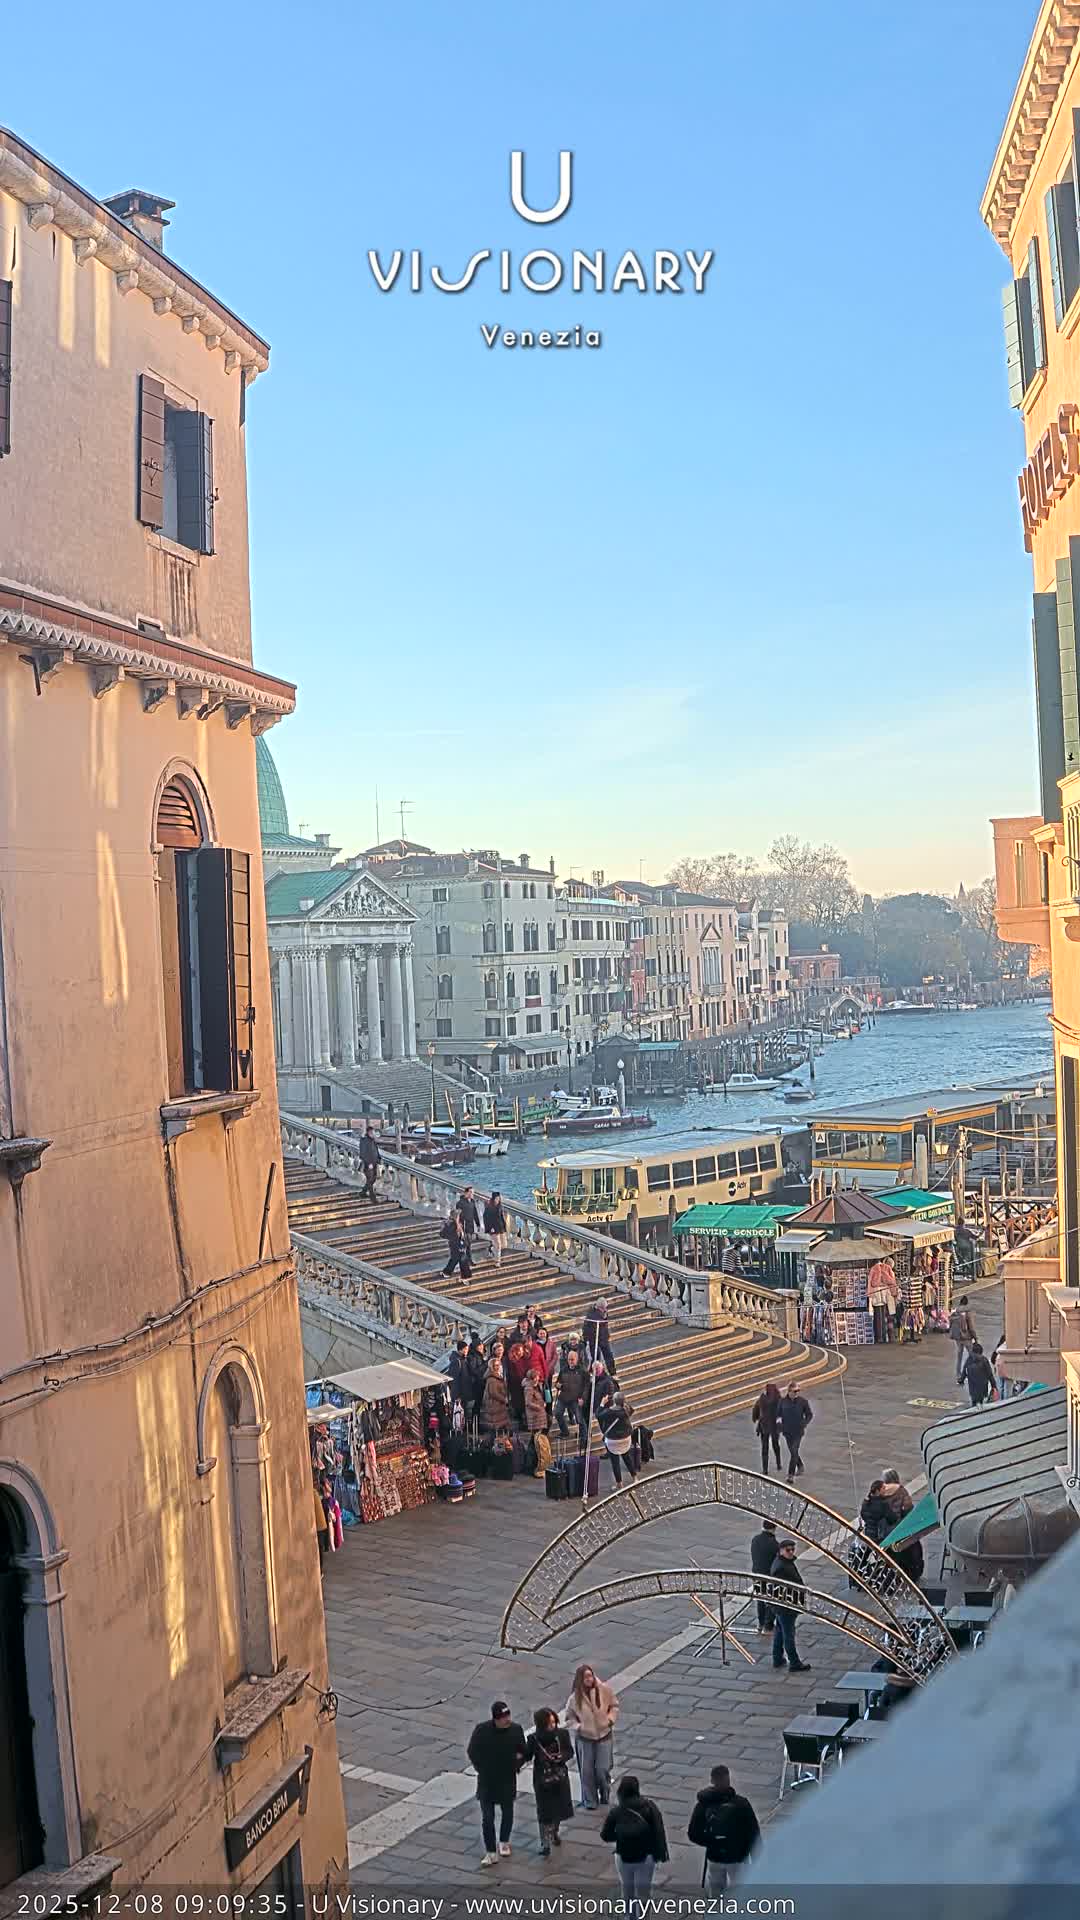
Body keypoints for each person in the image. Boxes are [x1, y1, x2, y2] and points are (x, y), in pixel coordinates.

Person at [466, 1700, 527, 1867]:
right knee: (488, 1818)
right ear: (495, 1719)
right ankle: (491, 1852)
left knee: (508, 1811)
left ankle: (504, 1841)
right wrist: (482, 1768)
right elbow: (472, 1751)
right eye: (503, 1717)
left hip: (507, 1779)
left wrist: (516, 1765)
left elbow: (523, 1751)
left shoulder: (515, 1730)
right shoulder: (482, 1730)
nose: (507, 1719)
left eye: (508, 1715)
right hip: (487, 1781)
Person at [600, 1775, 668, 1916]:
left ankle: (629, 1916)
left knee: (627, 1891)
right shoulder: (649, 1807)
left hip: (623, 1855)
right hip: (646, 1856)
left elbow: (605, 1835)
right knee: (644, 1892)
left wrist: (620, 1837)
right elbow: (658, 1832)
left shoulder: (617, 1811)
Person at [687, 1765, 760, 1893]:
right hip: (737, 1857)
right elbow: (754, 1833)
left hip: (714, 1856)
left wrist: (712, 1842)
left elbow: (693, 1834)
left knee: (716, 1892)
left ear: (712, 1781)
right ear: (728, 1780)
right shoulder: (741, 1804)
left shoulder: (704, 1803)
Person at [563, 1663, 619, 1810]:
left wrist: (610, 1719)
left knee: (602, 1769)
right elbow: (569, 1718)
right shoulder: (574, 1698)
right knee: (587, 1772)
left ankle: (605, 1790)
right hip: (585, 1739)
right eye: (585, 1677)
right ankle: (590, 1801)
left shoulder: (604, 1690)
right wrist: (579, 1727)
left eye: (590, 1675)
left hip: (604, 1735)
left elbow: (614, 1705)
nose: (589, 1679)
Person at [524, 1708, 574, 1855]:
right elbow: (528, 1755)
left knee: (559, 1807)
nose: (552, 1725)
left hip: (559, 1776)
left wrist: (562, 1756)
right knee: (544, 1810)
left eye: (553, 1722)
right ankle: (545, 1843)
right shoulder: (533, 1739)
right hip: (542, 1778)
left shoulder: (562, 1734)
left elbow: (569, 1751)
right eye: (549, 1723)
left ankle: (554, 1831)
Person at [769, 1538, 811, 1672]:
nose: (791, 1552)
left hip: (782, 1606)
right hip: (786, 1607)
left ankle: (777, 1658)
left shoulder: (782, 1562)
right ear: (781, 1551)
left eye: (793, 1549)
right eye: (788, 1550)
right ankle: (794, 1662)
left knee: (780, 1632)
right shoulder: (782, 1567)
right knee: (788, 1634)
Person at [598, 1392, 639, 1487]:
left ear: (614, 1401)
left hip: (613, 1440)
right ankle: (635, 1478)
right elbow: (632, 1410)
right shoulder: (626, 1410)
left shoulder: (609, 1412)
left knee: (615, 1461)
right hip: (625, 1438)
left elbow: (598, 1414)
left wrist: (602, 1403)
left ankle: (619, 1483)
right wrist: (623, 1402)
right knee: (627, 1457)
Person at [554, 1348, 589, 1446]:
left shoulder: (583, 1370)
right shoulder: (564, 1369)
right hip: (564, 1396)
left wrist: (583, 1398)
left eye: (572, 1359)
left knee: (580, 1420)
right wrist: (557, 1385)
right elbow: (558, 1381)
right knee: (557, 1413)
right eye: (569, 1359)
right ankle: (564, 1432)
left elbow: (587, 1386)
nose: (570, 1361)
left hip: (575, 1398)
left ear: (577, 1359)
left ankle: (584, 1439)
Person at [779, 1381, 813, 1480]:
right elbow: (778, 1414)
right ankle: (800, 1465)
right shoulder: (782, 1402)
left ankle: (791, 1475)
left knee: (794, 1451)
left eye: (798, 1391)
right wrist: (779, 1424)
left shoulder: (803, 1402)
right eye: (795, 1391)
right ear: (789, 1392)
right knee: (793, 1452)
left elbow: (809, 1414)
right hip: (787, 1431)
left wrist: (804, 1423)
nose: (797, 1393)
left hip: (798, 1431)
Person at [749, 1518, 778, 1633]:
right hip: (769, 1575)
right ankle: (768, 1625)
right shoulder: (774, 1544)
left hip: (757, 1572)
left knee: (760, 1599)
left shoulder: (755, 1539)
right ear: (774, 1528)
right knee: (771, 1599)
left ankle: (761, 1623)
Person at [523, 1369, 552, 1475]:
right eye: (536, 1377)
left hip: (538, 1416)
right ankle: (532, 1465)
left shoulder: (535, 1386)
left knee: (534, 1442)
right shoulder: (529, 1388)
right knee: (535, 1442)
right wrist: (540, 1406)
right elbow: (528, 1402)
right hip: (535, 1417)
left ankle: (531, 1464)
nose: (538, 1379)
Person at [751, 1383, 782, 1475]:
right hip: (774, 1426)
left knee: (765, 1448)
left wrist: (755, 1418)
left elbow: (755, 1409)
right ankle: (778, 1463)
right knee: (775, 1445)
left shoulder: (762, 1398)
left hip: (764, 1426)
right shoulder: (778, 1399)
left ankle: (765, 1469)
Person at [582, 1296, 617, 1374]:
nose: (605, 1310)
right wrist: (586, 1339)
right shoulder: (591, 1314)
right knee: (596, 1357)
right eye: (603, 1308)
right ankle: (594, 1373)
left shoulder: (603, 1312)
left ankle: (613, 1372)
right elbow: (587, 1328)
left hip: (603, 1337)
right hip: (594, 1339)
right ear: (598, 1307)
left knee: (608, 1356)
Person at [949, 1296, 977, 1383]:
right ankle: (970, 1372)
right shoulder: (968, 1312)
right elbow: (971, 1327)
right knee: (972, 1355)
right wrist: (975, 1338)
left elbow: (951, 1323)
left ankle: (958, 1373)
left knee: (959, 1355)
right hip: (966, 1337)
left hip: (958, 1337)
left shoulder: (955, 1312)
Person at [481, 1356, 511, 1434]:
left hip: (499, 1405)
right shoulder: (491, 1379)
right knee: (495, 1427)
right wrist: (504, 1399)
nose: (497, 1367)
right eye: (495, 1365)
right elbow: (493, 1393)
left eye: (498, 1365)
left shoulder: (497, 1375)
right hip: (494, 1405)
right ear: (492, 1366)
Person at [442, 1207, 473, 1279]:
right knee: (457, 1258)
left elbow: (462, 1234)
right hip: (455, 1244)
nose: (460, 1216)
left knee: (460, 1259)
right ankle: (447, 1272)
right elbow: (445, 1234)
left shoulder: (459, 1224)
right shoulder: (451, 1224)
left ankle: (464, 1275)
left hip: (460, 1243)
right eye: (458, 1215)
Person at [962, 1341, 996, 1407]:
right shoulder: (984, 1360)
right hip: (983, 1387)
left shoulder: (969, 1359)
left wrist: (961, 1380)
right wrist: (994, 1386)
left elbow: (964, 1371)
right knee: (981, 1403)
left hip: (972, 1388)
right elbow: (990, 1374)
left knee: (974, 1402)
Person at [464, 1337, 487, 1419]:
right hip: (476, 1384)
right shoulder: (473, 1356)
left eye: (481, 1345)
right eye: (479, 1346)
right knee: (476, 1405)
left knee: (478, 1404)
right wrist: (485, 1364)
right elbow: (475, 1371)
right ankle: (475, 1425)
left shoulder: (479, 1355)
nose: (481, 1347)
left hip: (479, 1383)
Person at [357, 1123, 381, 1203]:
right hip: (368, 1164)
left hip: (374, 1163)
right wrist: (368, 1163)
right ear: (369, 1133)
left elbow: (375, 1151)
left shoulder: (372, 1141)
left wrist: (379, 1159)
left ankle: (363, 1192)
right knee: (370, 1179)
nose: (374, 1134)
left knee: (373, 1179)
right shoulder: (365, 1141)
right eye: (373, 1133)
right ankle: (372, 1197)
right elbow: (363, 1153)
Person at [484, 1191, 508, 1266]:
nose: (498, 1199)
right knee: (498, 1245)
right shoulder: (489, 1207)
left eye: (499, 1198)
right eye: (497, 1198)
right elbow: (486, 1218)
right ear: (493, 1198)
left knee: (504, 1245)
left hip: (500, 1227)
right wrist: (490, 1228)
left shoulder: (500, 1206)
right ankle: (497, 1262)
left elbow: (501, 1217)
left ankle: (491, 1249)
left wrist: (504, 1227)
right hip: (493, 1228)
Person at [458, 1186, 482, 1251]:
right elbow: (458, 1216)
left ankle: (468, 1259)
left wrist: (478, 1224)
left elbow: (475, 1213)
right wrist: (459, 1226)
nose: (472, 1194)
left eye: (473, 1192)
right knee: (466, 1242)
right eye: (471, 1192)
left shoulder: (472, 1202)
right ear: (466, 1193)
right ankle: (467, 1258)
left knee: (469, 1243)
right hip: (463, 1226)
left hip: (470, 1225)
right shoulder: (460, 1203)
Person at [448, 1339, 469, 1407]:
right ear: (461, 1349)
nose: (467, 1351)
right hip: (459, 1394)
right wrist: (457, 1396)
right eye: (465, 1349)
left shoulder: (462, 1359)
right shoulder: (456, 1361)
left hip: (463, 1392)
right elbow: (454, 1380)